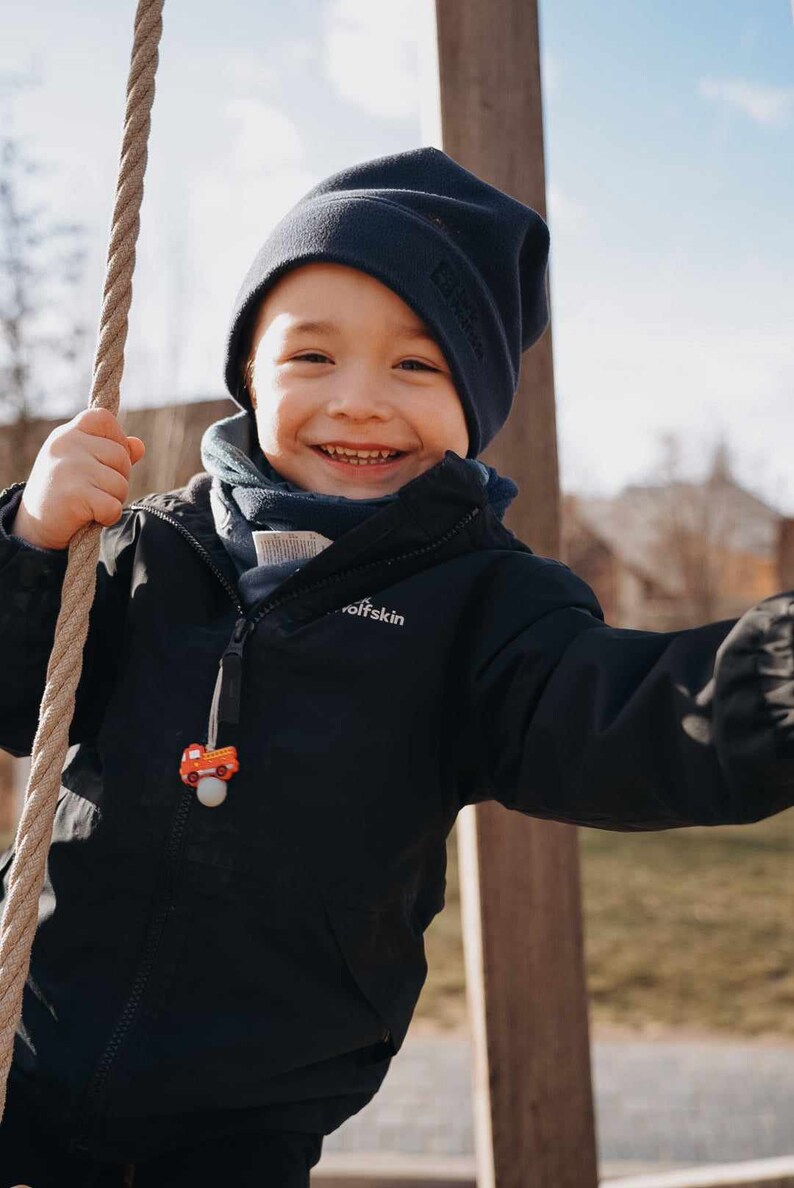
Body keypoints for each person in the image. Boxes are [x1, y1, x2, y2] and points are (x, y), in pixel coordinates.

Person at [0, 146, 791, 1186]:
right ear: (248, 375)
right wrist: (29, 542)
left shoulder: (487, 607)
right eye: (311, 359)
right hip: (23, 1038)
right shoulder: (142, 548)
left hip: (245, 1115)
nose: (358, 401)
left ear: (476, 402)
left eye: (414, 366)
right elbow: (22, 698)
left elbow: (638, 719)